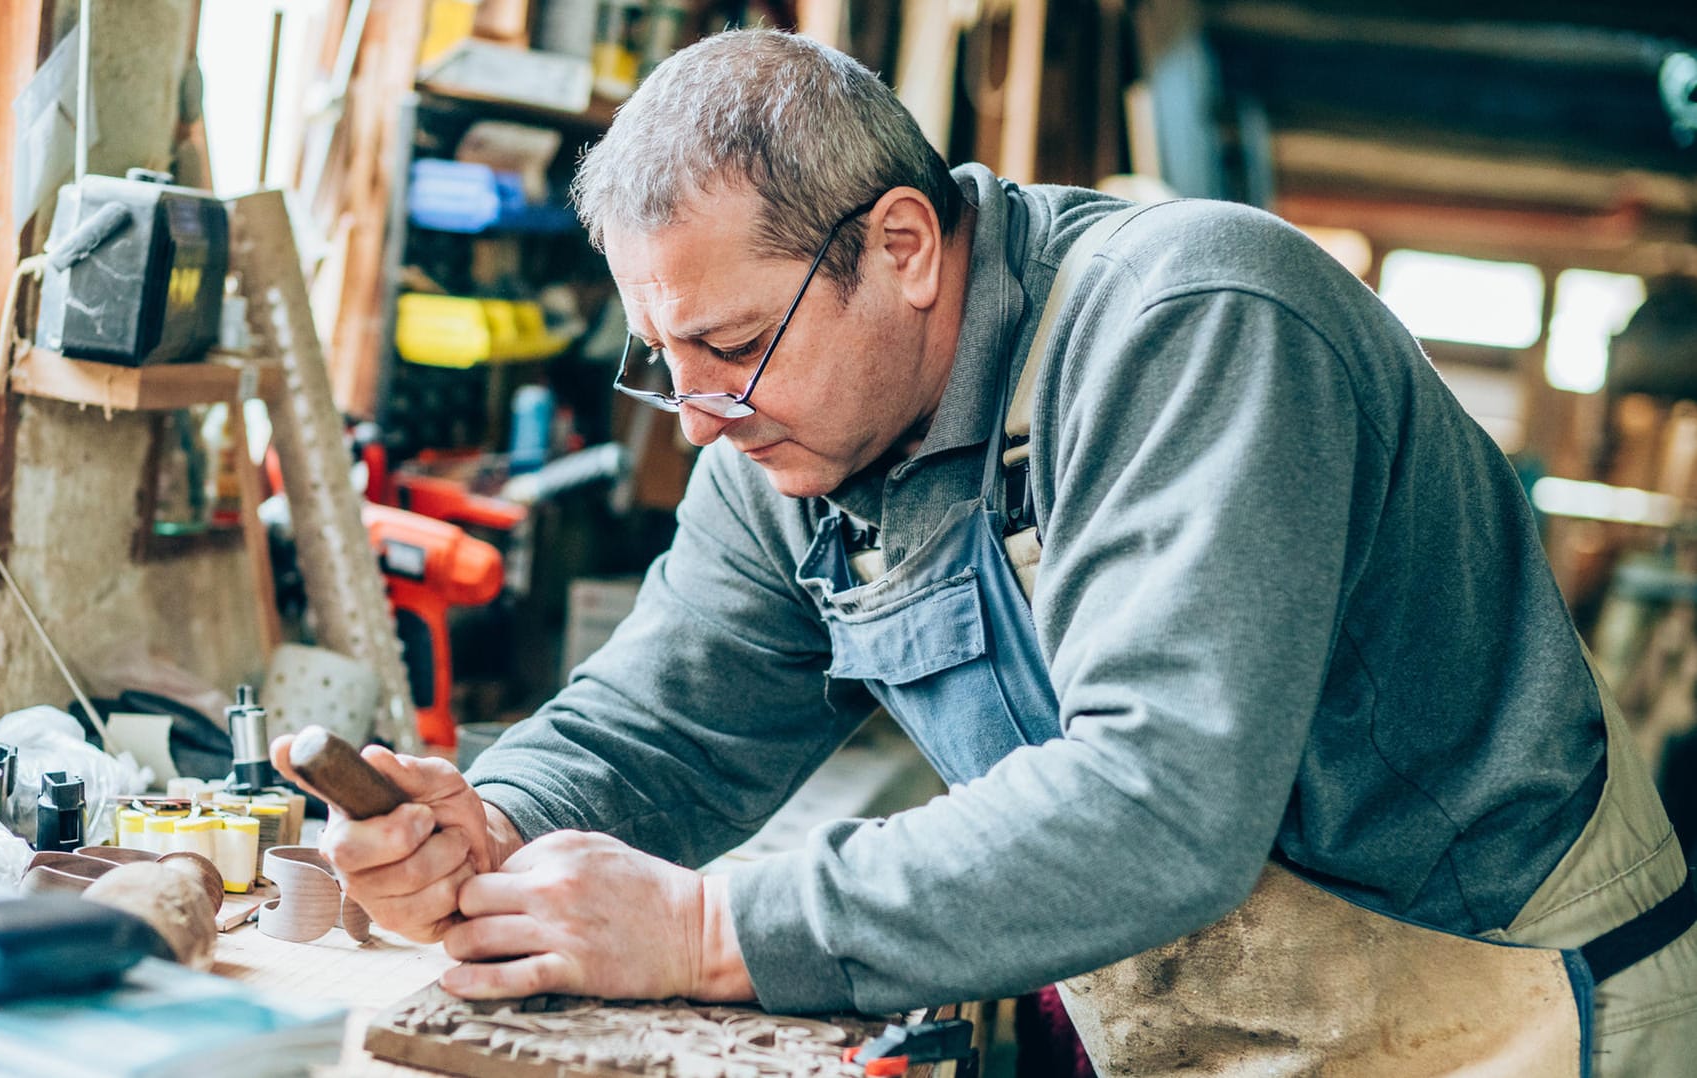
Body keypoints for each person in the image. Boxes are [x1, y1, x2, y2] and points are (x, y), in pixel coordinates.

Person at [273, 28, 1697, 1074]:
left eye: (726, 348)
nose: (700, 419)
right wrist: (493, 824)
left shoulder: (1195, 325)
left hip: (1514, 1006)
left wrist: (710, 925)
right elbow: (669, 717)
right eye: (666, 362)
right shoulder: (791, 436)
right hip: (1230, 1021)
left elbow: (1157, 805)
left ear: (899, 243)